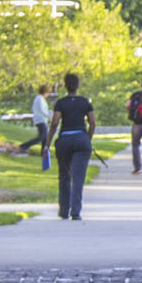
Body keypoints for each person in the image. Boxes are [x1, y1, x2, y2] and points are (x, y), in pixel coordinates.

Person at [44, 73, 95, 221]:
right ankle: (76, 212)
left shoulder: (61, 103)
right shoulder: (85, 102)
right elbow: (92, 122)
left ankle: (64, 210)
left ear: (65, 85)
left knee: (64, 175)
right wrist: (87, 138)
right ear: (78, 85)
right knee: (78, 177)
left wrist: (47, 143)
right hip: (81, 139)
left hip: (65, 139)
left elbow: (54, 123)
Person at [17, 84, 53, 169]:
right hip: (40, 119)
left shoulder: (40, 99)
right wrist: (49, 116)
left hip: (42, 120)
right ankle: (24, 145)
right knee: (42, 137)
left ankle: (43, 153)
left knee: (45, 138)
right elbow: (42, 110)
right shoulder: (39, 98)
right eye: (48, 92)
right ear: (45, 92)